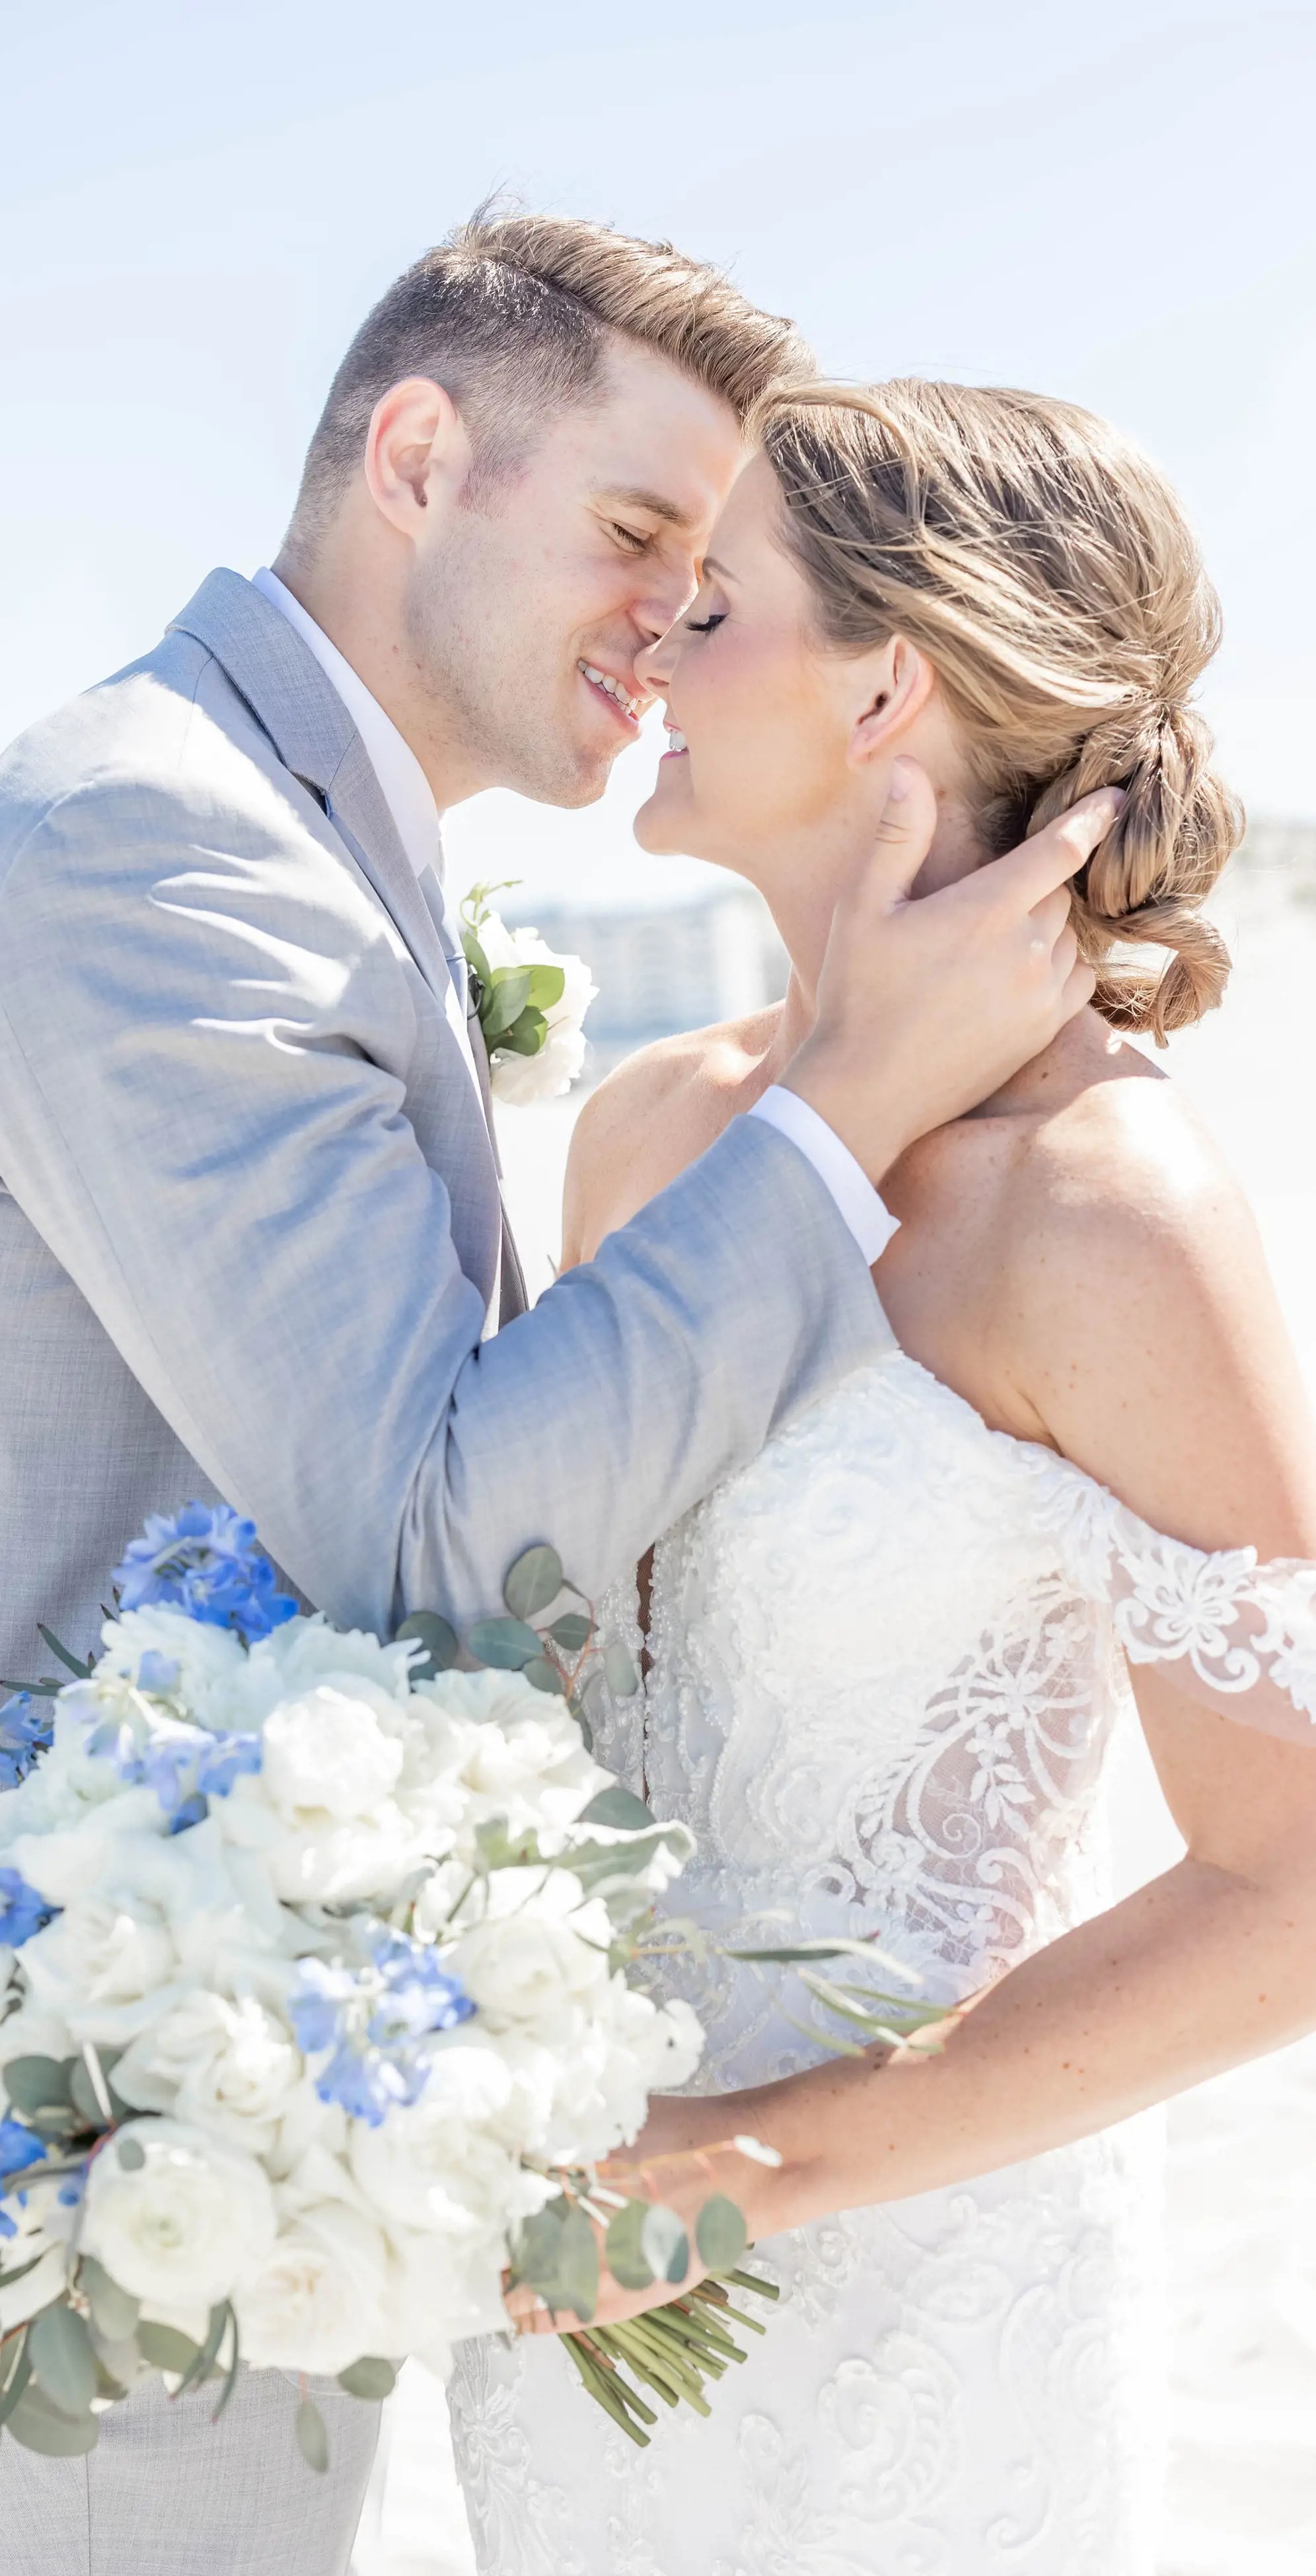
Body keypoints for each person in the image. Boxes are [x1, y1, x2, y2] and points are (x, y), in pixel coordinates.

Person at [0, 211, 1105, 2576]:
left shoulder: (292, 836)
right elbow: (421, 1527)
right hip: (85, 2113)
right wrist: (843, 1109)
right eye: (634, 534)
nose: (672, 620)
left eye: (711, 575)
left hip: (293, 2084)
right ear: (417, 452)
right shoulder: (154, 847)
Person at [449, 381, 1316, 2573]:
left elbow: (1297, 1877)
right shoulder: (645, 1134)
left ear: (891, 685)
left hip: (919, 2299)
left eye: (711, 600)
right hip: (563, 2280)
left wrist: (767, 2164)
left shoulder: (1100, 1211)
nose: (646, 641)